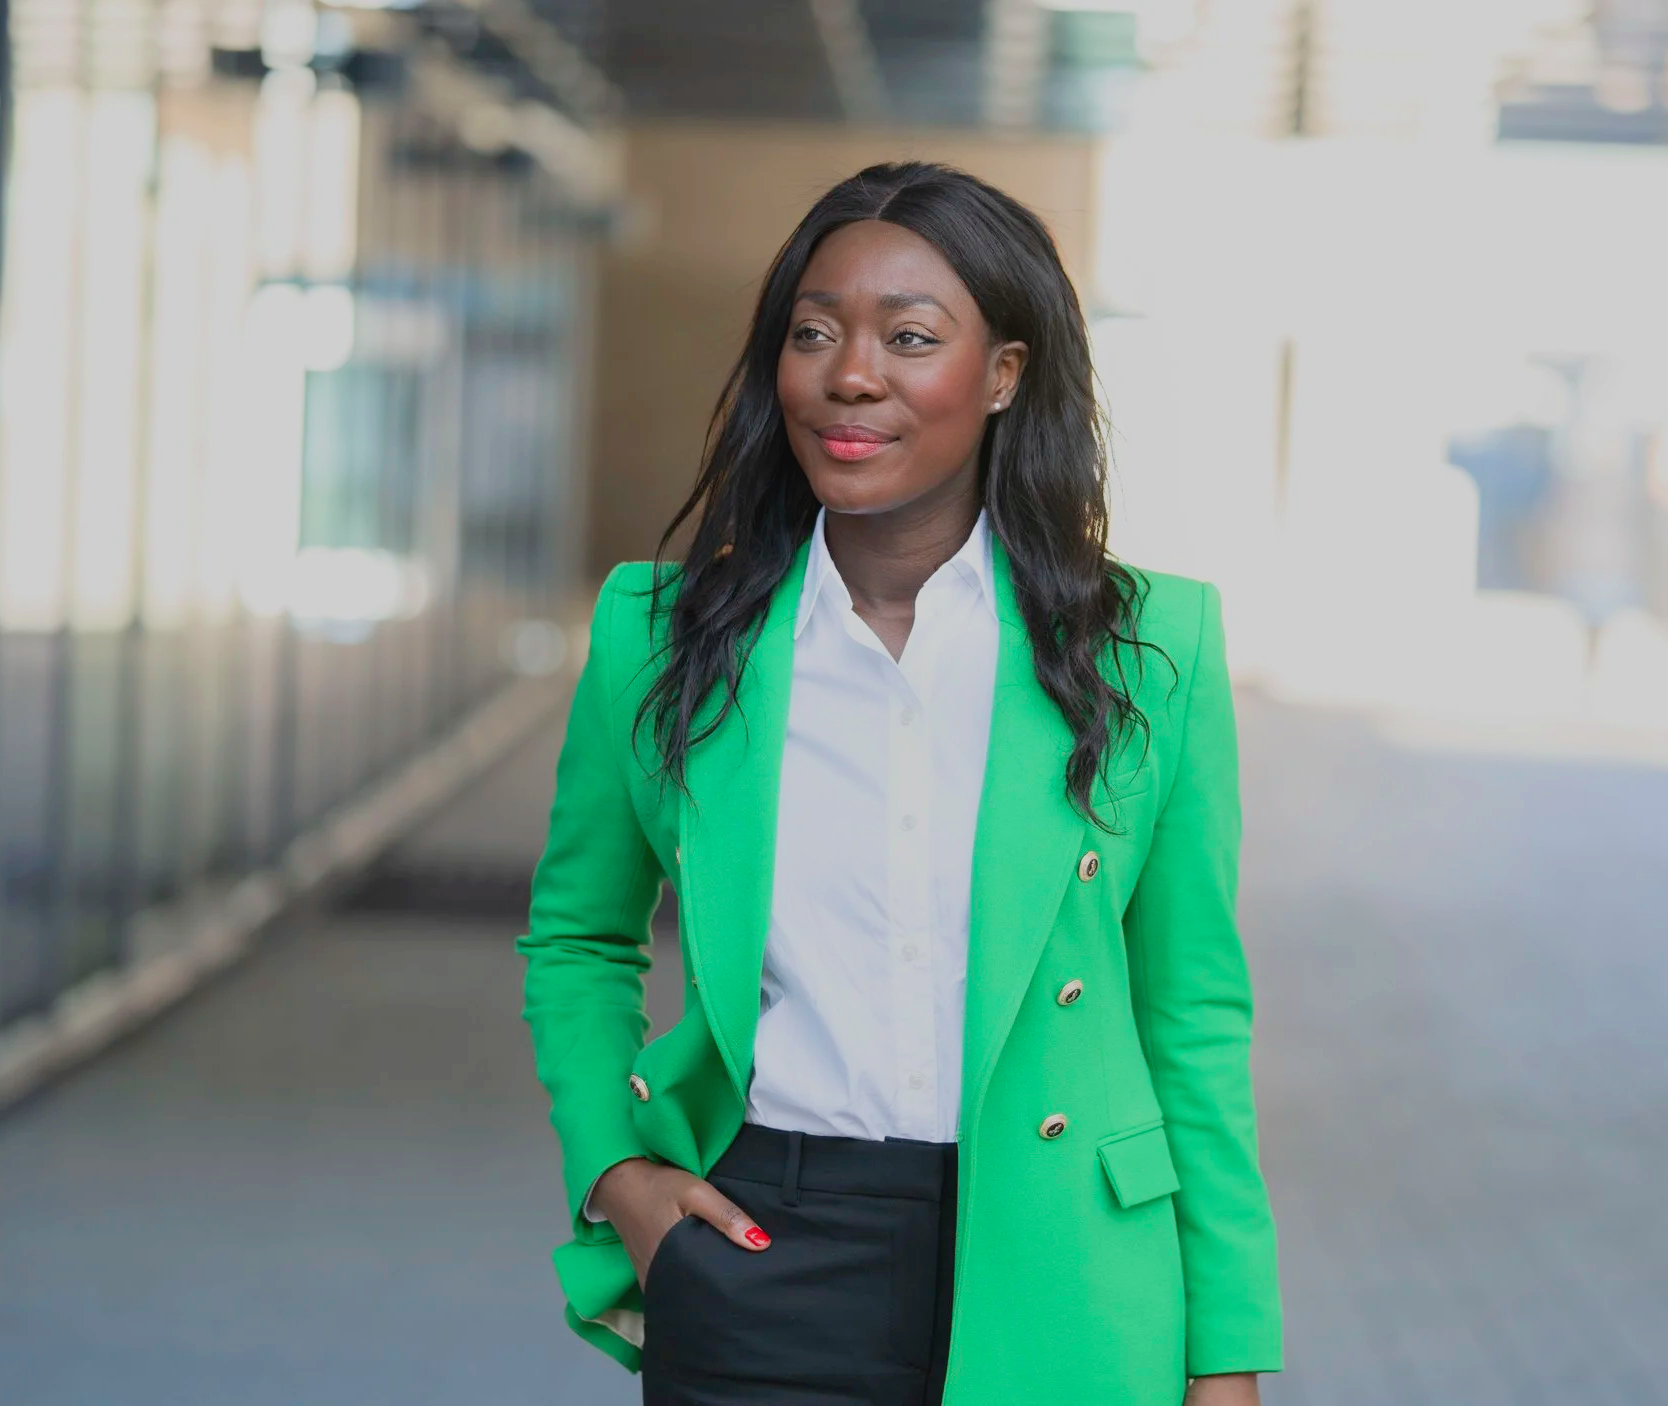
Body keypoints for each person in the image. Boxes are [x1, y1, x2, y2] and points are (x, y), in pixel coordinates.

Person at [518, 161, 1282, 1405]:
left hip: (1069, 1262)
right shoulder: (662, 635)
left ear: (1003, 375)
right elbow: (577, 935)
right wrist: (617, 1171)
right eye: (812, 332)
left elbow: (1192, 1015)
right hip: (765, 1248)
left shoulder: (1150, 651)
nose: (850, 374)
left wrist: (1227, 1350)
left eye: (909, 337)